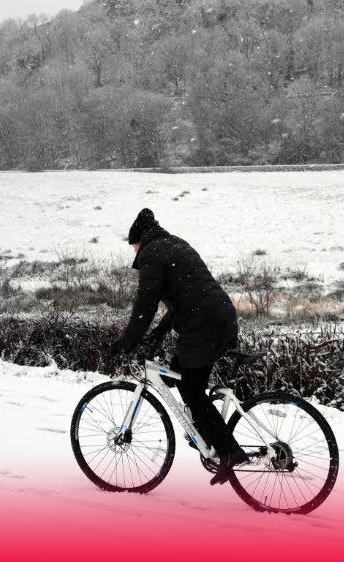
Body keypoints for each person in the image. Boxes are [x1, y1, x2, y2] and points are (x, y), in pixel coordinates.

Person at [106, 208, 250, 486]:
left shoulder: (151, 254)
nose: (134, 252)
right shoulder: (175, 245)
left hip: (203, 324)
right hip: (220, 316)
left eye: (132, 246)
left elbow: (144, 306)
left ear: (139, 240)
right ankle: (209, 436)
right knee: (180, 372)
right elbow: (182, 301)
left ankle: (229, 451)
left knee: (191, 389)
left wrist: (127, 343)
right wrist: (157, 335)